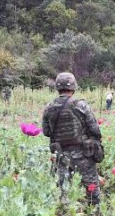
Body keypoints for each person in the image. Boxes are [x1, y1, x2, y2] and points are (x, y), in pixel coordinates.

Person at [42, 72, 103, 205]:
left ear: (57, 87)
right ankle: (95, 215)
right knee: (91, 187)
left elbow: (46, 132)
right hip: (83, 154)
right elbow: (95, 130)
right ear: (73, 87)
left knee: (64, 190)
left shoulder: (49, 107)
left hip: (61, 154)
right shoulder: (81, 105)